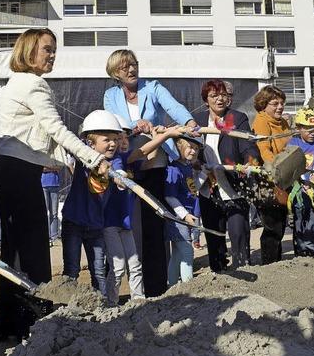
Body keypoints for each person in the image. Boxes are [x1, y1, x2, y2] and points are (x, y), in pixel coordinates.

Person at [0, 28, 109, 341]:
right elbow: (56, 130)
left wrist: (64, 162)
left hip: (9, 170)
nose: (52, 55)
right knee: (32, 251)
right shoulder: (33, 84)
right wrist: (93, 158)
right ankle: (34, 325)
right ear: (29, 51)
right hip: (19, 174)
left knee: (14, 249)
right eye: (47, 49)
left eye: (54, 50)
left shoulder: (14, 83)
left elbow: (33, 138)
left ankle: (9, 325)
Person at [103, 49, 197, 297]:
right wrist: (137, 126)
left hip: (154, 163)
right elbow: (114, 124)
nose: (131, 70)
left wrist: (188, 124)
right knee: (129, 226)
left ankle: (156, 288)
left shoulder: (153, 87)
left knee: (154, 223)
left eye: (134, 64)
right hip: (127, 164)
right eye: (125, 67)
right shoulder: (110, 96)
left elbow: (174, 107)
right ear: (115, 73)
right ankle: (124, 290)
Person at [195, 80, 261, 271]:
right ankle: (219, 272)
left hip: (234, 186)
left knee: (238, 233)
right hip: (209, 187)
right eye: (214, 96)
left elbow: (246, 143)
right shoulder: (198, 121)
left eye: (223, 95)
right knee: (215, 236)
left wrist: (250, 160)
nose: (220, 99)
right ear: (206, 100)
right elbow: (188, 147)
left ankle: (243, 268)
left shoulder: (236, 117)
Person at [61, 110, 126, 298]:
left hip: (96, 226)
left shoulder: (115, 161)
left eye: (115, 138)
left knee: (99, 272)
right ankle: (68, 309)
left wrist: (121, 178)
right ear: (90, 143)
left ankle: (101, 306)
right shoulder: (84, 157)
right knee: (71, 270)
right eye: (106, 139)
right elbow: (71, 145)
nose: (113, 143)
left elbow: (120, 173)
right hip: (73, 222)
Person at [252, 85, 292, 264]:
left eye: (282, 103)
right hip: (268, 179)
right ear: (263, 104)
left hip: (283, 177)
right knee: (272, 225)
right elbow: (264, 150)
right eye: (275, 103)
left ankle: (276, 260)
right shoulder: (261, 121)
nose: (280, 107)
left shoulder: (283, 122)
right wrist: (276, 167)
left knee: (280, 223)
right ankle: (269, 264)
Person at [287, 108, 314, 256]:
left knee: (313, 225)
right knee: (299, 225)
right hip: (298, 194)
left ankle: (313, 256)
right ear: (298, 128)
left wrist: (312, 180)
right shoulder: (293, 143)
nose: (312, 132)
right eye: (308, 129)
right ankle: (299, 255)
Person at [165, 136, 202, 285]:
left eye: (196, 148)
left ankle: (172, 285)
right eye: (189, 147)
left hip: (187, 215)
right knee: (187, 251)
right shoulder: (173, 169)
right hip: (177, 218)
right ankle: (189, 287)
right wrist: (184, 215)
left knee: (177, 255)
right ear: (179, 147)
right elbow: (169, 196)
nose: (193, 151)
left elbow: (191, 190)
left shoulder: (187, 167)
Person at [41, 167, 61, 241]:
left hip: (55, 184)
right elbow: (41, 168)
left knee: (54, 213)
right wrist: (53, 168)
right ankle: (45, 235)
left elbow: (59, 168)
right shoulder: (43, 155)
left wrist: (47, 168)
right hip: (43, 185)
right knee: (44, 212)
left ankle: (54, 236)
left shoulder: (55, 155)